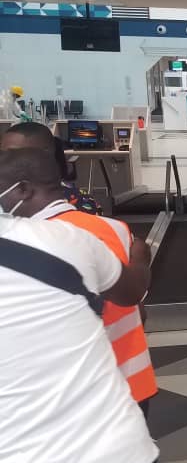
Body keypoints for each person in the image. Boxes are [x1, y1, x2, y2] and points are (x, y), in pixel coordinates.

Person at [0, 151, 160, 463]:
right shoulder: (73, 239)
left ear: (25, 189)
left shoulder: (71, 237)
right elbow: (133, 290)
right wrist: (141, 255)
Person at [0, 146, 158, 413]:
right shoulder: (114, 228)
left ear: (24, 189)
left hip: (78, 393)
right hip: (133, 376)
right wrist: (140, 258)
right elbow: (133, 296)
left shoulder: (40, 242)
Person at [2, 121, 102, 213]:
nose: (3, 160)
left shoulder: (80, 203)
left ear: (45, 155)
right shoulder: (5, 193)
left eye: (13, 154)